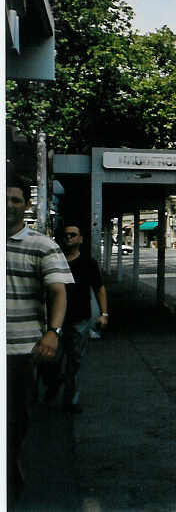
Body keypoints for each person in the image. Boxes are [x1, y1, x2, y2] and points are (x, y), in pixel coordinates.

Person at [6, 176, 73, 502]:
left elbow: (58, 292)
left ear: (26, 205)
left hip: (20, 349)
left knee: (16, 416)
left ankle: (9, 464)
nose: (8, 205)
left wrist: (53, 332)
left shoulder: (43, 245)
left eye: (15, 200)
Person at [41, 223, 109, 414]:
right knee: (49, 360)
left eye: (73, 235)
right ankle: (53, 383)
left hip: (80, 319)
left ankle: (71, 400)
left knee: (75, 362)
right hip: (54, 321)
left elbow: (99, 288)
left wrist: (104, 314)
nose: (69, 238)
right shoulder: (53, 260)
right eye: (66, 235)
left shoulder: (88, 263)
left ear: (80, 239)